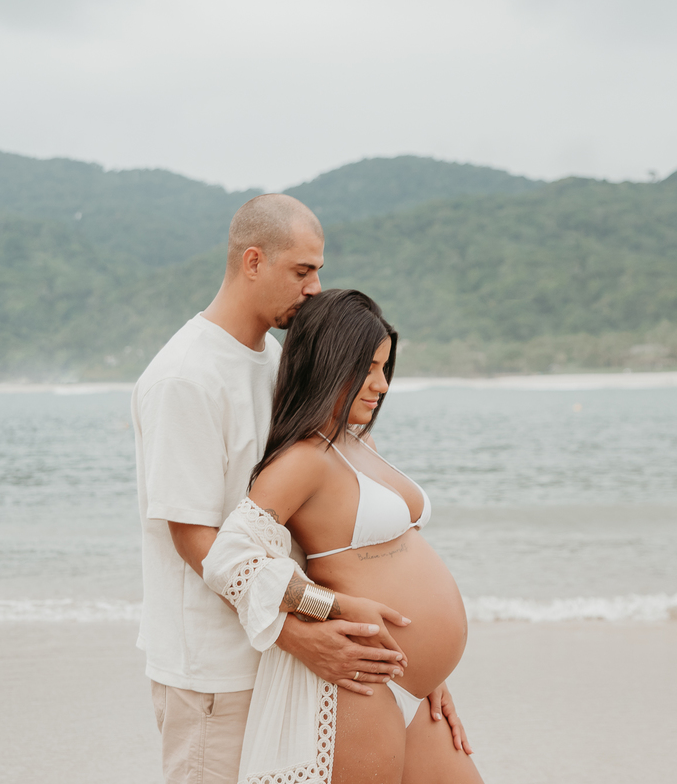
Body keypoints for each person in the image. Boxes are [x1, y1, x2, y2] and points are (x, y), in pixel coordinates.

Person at [132, 195, 415, 783]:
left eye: (319, 270)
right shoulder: (187, 377)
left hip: (277, 661)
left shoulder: (273, 361)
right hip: (213, 670)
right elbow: (197, 541)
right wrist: (304, 629)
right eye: (303, 271)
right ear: (253, 261)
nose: (315, 288)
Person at [203, 289, 480, 784]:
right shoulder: (303, 460)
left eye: (384, 369)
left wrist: (431, 671)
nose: (381, 385)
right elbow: (229, 560)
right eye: (368, 369)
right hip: (360, 682)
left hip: (415, 684)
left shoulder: (358, 442)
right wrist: (331, 607)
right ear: (330, 365)